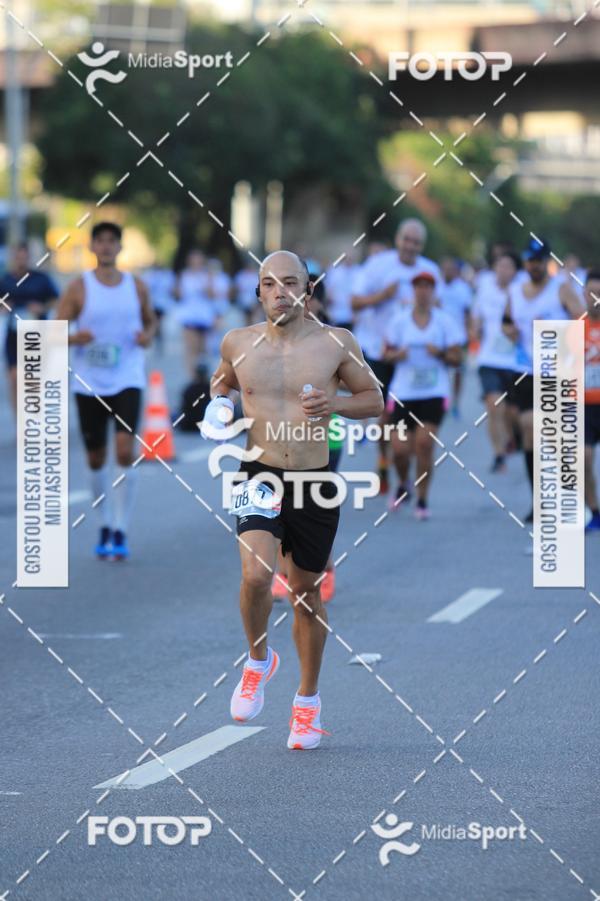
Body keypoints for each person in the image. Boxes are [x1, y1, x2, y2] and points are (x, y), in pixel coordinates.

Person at [202, 250, 383, 749]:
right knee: (256, 576)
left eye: (290, 282)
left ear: (307, 289)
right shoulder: (237, 341)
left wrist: (337, 405)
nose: (279, 291)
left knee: (305, 594)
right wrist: (219, 404)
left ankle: (306, 703)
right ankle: (258, 660)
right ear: (258, 292)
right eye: (269, 283)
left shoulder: (335, 343)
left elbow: (375, 399)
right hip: (258, 472)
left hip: (314, 479)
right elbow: (222, 379)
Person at [56, 222, 156, 559]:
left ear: (120, 246)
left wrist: (147, 336)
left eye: (112, 241)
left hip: (128, 377)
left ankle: (121, 528)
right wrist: (74, 338)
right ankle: (103, 521)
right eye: (100, 241)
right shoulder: (78, 288)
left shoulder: (136, 286)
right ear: (92, 246)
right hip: (88, 382)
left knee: (125, 450)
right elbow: (51, 331)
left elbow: (150, 321)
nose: (106, 246)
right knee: (96, 457)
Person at [351, 219, 441, 494]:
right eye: (406, 240)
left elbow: (441, 309)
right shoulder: (379, 265)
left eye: (416, 242)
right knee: (382, 415)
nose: (410, 246)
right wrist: (383, 296)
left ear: (422, 246)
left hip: (414, 358)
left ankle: (402, 461)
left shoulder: (430, 270)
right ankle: (383, 460)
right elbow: (354, 302)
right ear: (397, 239)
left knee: (409, 422)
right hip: (380, 351)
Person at [502, 238, 583, 522]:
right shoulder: (515, 290)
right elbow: (507, 320)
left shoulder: (560, 289)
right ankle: (540, 499)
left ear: (546, 261)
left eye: (538, 261)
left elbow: (581, 318)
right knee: (528, 428)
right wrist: (509, 331)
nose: (533, 266)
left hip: (555, 371)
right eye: (529, 260)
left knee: (551, 436)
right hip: (524, 370)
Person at [383, 271, 462, 518]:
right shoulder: (399, 321)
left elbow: (457, 357)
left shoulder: (445, 321)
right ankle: (404, 483)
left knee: (424, 444)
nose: (423, 291)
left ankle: (422, 500)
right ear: (413, 290)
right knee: (399, 450)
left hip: (434, 391)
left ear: (433, 291)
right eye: (419, 286)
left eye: (428, 286)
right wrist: (397, 356)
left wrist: (439, 353)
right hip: (403, 392)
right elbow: (385, 353)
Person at [471, 251, 521, 472]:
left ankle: (512, 437)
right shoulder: (485, 290)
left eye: (508, 267)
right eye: (500, 266)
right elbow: (475, 317)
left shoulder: (522, 292)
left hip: (516, 361)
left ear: (515, 271)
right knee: (494, 407)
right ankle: (499, 455)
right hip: (489, 359)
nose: (504, 271)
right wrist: (475, 329)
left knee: (512, 413)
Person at [0, 242, 59, 414]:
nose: (21, 261)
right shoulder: (6, 280)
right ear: (13, 258)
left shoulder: (42, 279)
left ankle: (33, 418)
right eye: (18, 257)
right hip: (14, 335)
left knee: (33, 380)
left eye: (24, 257)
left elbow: (56, 299)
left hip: (37, 335)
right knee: (14, 378)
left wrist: (42, 307)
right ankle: (20, 418)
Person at [438, 256, 473, 417]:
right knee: (441, 370)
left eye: (451, 269)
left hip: (458, 336)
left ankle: (456, 402)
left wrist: (469, 332)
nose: (448, 272)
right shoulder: (436, 286)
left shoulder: (463, 289)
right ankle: (442, 399)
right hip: (439, 336)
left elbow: (468, 313)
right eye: (445, 269)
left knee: (459, 370)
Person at [173, 249, 216, 379]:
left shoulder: (207, 275)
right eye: (194, 259)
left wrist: (206, 285)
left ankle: (203, 375)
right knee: (190, 347)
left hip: (204, 317)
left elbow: (211, 295)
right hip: (189, 316)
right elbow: (178, 295)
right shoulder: (184, 276)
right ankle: (192, 376)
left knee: (202, 349)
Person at [583, 270, 600, 532]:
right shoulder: (575, 326)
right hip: (583, 406)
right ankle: (594, 511)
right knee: (583, 458)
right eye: (591, 293)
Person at [325, 252, 359, 331]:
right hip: (336, 315)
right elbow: (328, 291)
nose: (349, 259)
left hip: (352, 316)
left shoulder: (359, 271)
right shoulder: (334, 271)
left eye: (351, 257)